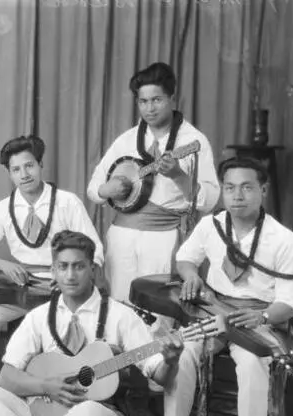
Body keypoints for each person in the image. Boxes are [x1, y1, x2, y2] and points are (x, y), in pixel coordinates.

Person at [0, 230, 186, 416]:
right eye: (63, 267)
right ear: (54, 271)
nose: (70, 275)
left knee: (89, 412)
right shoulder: (38, 317)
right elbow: (7, 376)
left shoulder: (121, 316)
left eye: (79, 267)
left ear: (92, 269)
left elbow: (157, 374)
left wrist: (170, 360)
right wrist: (45, 387)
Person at [166, 157, 293, 416]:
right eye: (229, 188)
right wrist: (192, 275)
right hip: (214, 311)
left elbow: (292, 301)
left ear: (263, 190)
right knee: (184, 350)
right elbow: (185, 258)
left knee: (252, 364)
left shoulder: (283, 239)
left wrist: (262, 318)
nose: (237, 195)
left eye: (246, 187)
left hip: (258, 317)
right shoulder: (210, 225)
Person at [0, 135, 105, 416]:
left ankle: (60, 408)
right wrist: (0, 264)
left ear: (41, 165)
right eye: (16, 169)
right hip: (22, 291)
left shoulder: (67, 202)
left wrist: (69, 282)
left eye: (29, 166)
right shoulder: (5, 207)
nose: (24, 174)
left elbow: (96, 251)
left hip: (62, 291)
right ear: (9, 173)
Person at [87, 62, 220, 303]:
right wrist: (108, 189)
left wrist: (178, 176)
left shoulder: (193, 140)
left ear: (172, 98)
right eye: (143, 101)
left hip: (164, 237)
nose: (149, 108)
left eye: (157, 100)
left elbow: (209, 201)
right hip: (122, 236)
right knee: (120, 305)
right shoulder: (126, 140)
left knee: (159, 312)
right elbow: (94, 188)